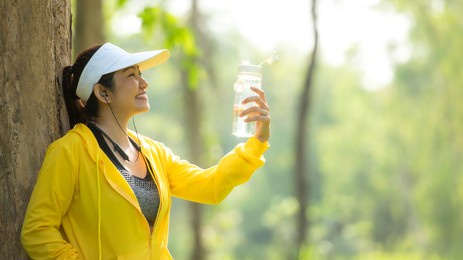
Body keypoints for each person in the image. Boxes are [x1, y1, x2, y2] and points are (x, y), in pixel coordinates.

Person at [20, 42, 270, 260]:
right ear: (103, 92)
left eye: (140, 73)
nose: (144, 82)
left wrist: (257, 141)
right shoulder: (70, 151)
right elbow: (37, 230)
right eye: (131, 75)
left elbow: (210, 186)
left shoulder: (153, 152)